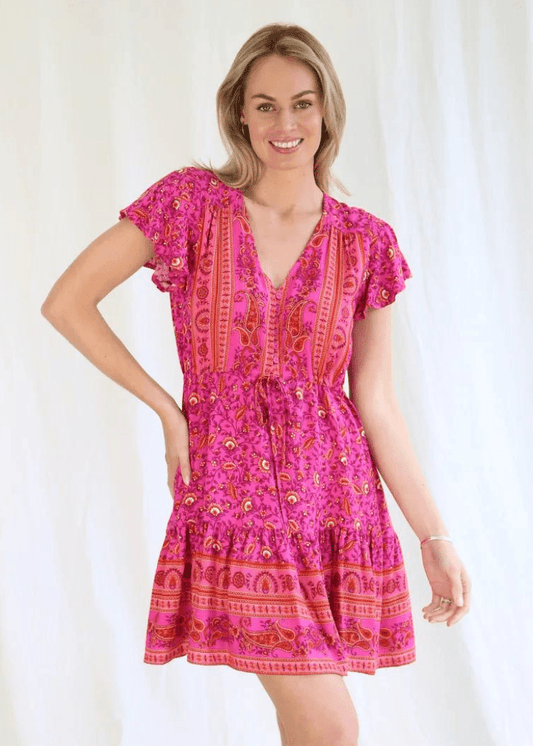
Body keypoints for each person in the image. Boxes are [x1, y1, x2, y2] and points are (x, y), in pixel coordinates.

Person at [41, 22, 471, 746]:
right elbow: (66, 304)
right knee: (330, 726)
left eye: (301, 103)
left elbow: (375, 402)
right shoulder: (189, 204)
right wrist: (168, 413)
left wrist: (433, 536)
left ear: (326, 112)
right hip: (232, 490)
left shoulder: (364, 241)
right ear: (238, 111)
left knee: (314, 726)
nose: (284, 123)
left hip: (334, 497)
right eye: (265, 105)